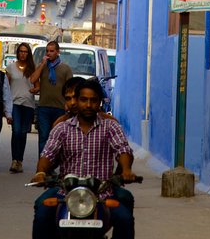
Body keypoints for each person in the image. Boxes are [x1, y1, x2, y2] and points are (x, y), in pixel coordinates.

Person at [30, 79, 138, 239]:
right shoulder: (61, 128)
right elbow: (48, 154)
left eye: (93, 100)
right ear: (77, 100)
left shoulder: (110, 127)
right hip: (66, 194)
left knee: (125, 219)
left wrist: (127, 170)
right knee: (41, 214)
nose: (88, 105)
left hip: (102, 193)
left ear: (100, 102)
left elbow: (122, 149)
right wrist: (40, 172)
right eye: (83, 100)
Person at [29, 41, 73, 155]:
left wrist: (68, 105)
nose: (49, 53)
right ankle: (42, 167)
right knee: (43, 137)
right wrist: (42, 64)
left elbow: (70, 88)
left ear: (57, 52)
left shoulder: (65, 69)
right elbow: (32, 80)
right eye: (47, 51)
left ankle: (52, 166)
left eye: (52, 51)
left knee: (56, 139)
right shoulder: (42, 67)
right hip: (44, 107)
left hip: (59, 108)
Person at [5, 42, 37, 173]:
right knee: (16, 131)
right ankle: (14, 160)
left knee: (23, 133)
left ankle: (20, 161)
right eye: (21, 51)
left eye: (25, 52)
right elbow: (6, 88)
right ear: (17, 53)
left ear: (28, 54)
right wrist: (6, 109)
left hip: (28, 105)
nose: (23, 54)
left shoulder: (32, 69)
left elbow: (38, 85)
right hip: (15, 104)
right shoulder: (10, 68)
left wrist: (35, 90)